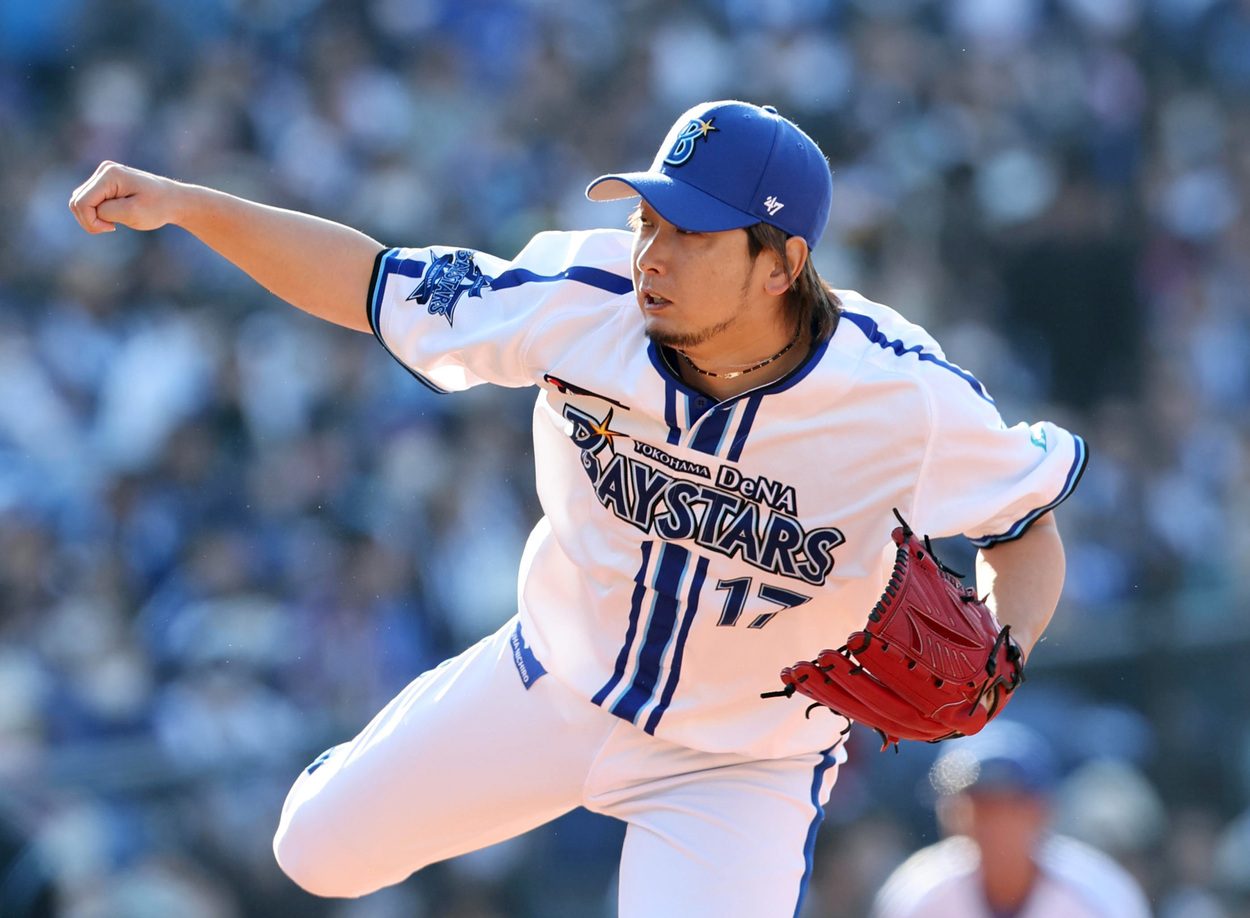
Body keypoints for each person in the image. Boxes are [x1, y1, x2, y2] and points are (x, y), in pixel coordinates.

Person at [69, 100, 1083, 916]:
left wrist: (1007, 643)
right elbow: (369, 282)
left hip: (738, 766)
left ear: (780, 263)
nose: (652, 252)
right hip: (551, 682)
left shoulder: (900, 395)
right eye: (648, 219)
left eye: (691, 233)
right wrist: (191, 206)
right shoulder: (576, 294)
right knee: (314, 853)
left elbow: (1022, 525)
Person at [871, 721, 1152, 918]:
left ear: (1041, 809)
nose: (985, 822)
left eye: (1003, 806)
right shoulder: (918, 894)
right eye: (974, 805)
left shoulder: (1099, 895)